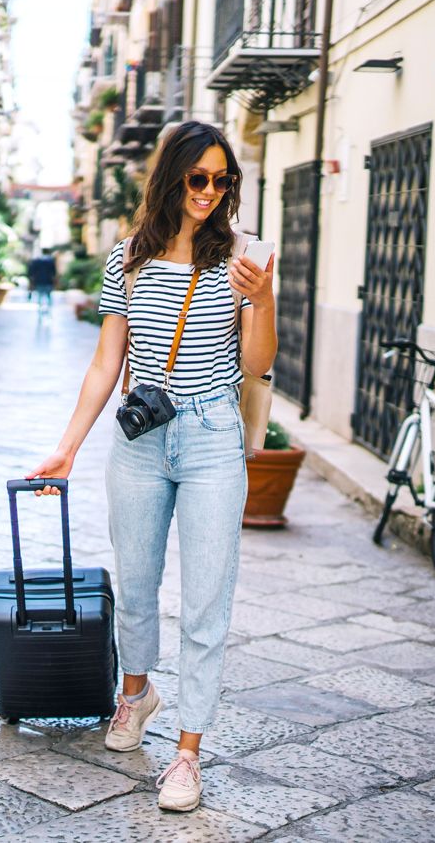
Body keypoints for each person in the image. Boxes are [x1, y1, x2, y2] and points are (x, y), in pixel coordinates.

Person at [26, 121, 277, 812]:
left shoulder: (245, 256)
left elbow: (257, 365)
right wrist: (69, 445)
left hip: (210, 436)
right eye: (198, 178)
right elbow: (109, 360)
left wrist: (262, 299)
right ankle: (134, 696)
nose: (211, 192)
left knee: (205, 601)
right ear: (171, 178)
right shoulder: (128, 258)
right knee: (135, 584)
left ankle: (188, 754)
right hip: (140, 438)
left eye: (223, 180)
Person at [27, 249, 56, 315]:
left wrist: (32, 282)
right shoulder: (51, 261)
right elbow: (53, 273)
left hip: (39, 281)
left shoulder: (37, 261)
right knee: (48, 296)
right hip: (48, 281)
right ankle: (48, 310)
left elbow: (32, 272)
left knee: (40, 296)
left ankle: (40, 309)